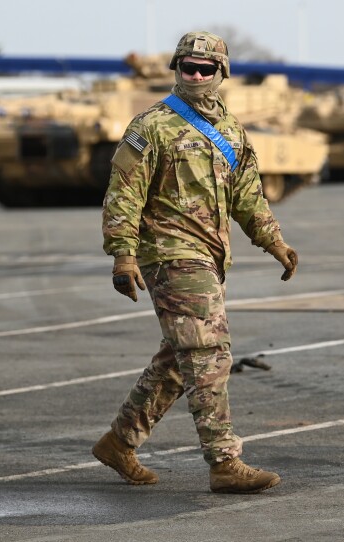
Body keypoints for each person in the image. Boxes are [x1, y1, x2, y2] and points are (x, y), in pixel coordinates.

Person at [93, 31, 298, 494]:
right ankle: (224, 460)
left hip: (211, 257)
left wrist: (274, 242)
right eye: (189, 67)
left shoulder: (232, 131)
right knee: (208, 350)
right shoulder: (151, 127)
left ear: (222, 73)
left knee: (179, 357)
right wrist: (123, 255)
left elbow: (248, 196)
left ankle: (119, 442)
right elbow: (123, 194)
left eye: (207, 69)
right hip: (169, 254)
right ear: (176, 69)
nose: (198, 75)